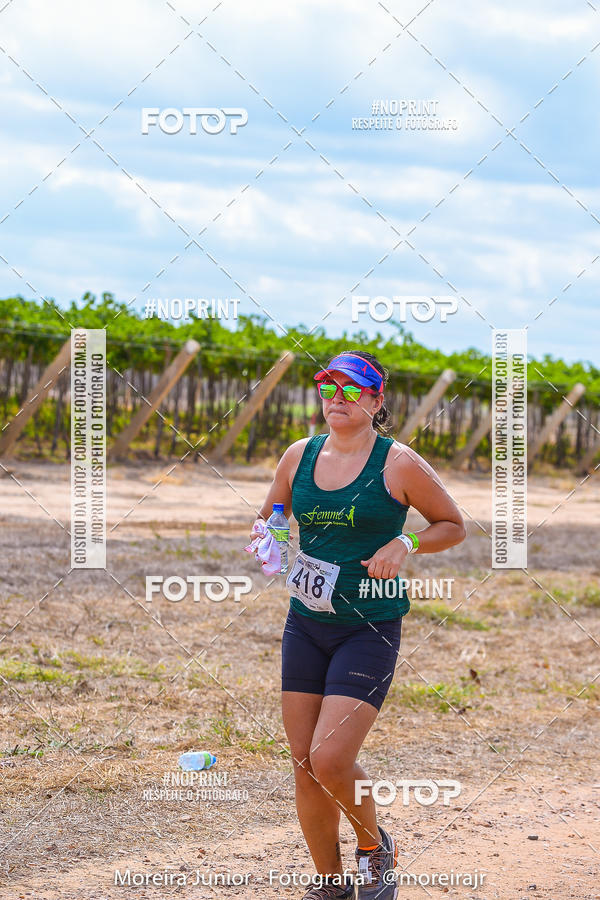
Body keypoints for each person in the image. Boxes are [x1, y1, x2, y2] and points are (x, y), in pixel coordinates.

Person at [249, 350, 466, 899]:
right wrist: (269, 536)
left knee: (330, 758)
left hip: (368, 626)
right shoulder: (299, 455)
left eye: (352, 389)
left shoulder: (398, 463)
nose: (337, 399)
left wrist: (406, 541)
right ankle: (330, 884)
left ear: (376, 400)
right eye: (328, 388)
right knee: (304, 764)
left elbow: (453, 525)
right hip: (306, 622)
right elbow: (272, 512)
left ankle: (375, 849)